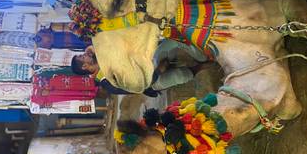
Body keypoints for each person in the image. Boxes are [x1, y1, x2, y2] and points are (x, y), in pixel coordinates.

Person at [71, 40, 210, 96]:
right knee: (182, 75)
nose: (86, 54)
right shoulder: (107, 83)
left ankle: (202, 57)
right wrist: (159, 70)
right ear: (85, 66)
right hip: (151, 81)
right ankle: (200, 66)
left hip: (149, 61)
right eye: (83, 57)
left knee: (172, 42)